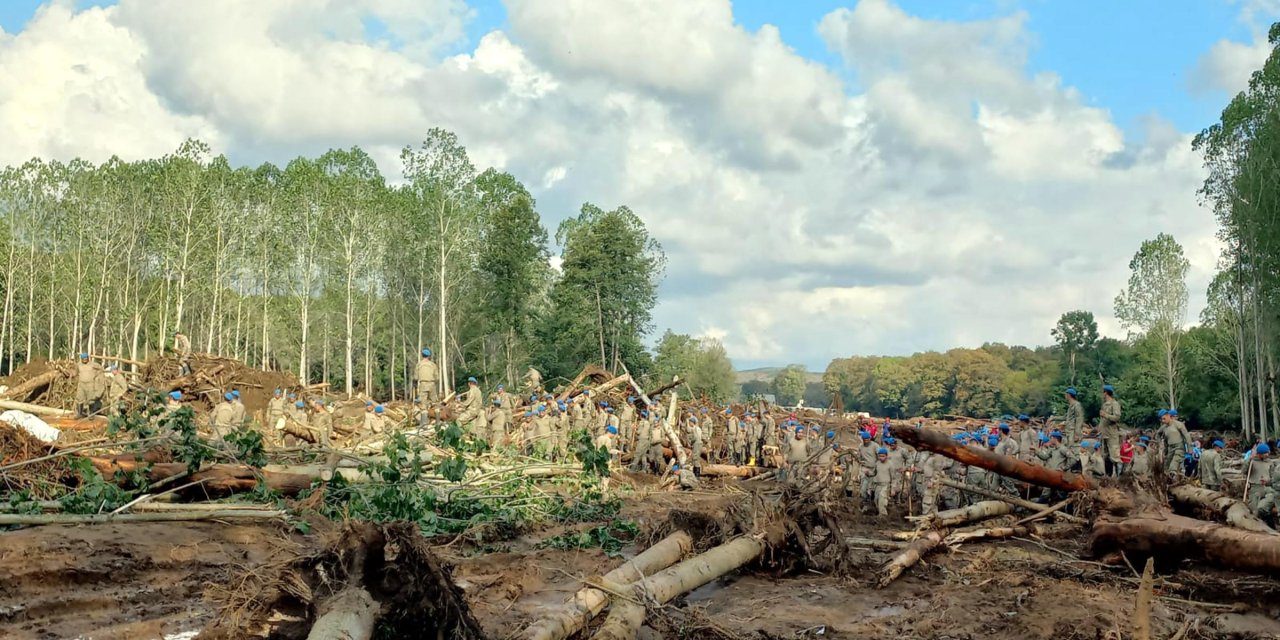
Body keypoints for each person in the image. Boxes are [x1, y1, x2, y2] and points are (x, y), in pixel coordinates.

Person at [1158, 409, 1191, 476]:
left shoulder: (1178, 424)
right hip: (1170, 448)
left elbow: (1187, 436)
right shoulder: (1164, 427)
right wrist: (1160, 444)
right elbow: (1158, 434)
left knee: (1174, 464)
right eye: (1162, 419)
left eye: (1164, 419)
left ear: (1168, 416)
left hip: (1179, 447)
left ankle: (1173, 474)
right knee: (1166, 465)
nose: (1163, 421)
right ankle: (1167, 480)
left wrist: (1190, 449)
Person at [1247, 443, 1275, 520]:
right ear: (1259, 454)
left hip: (1267, 488)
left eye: (1268, 452)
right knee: (1255, 512)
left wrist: (1268, 481)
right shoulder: (1253, 461)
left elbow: (1273, 477)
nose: (1267, 454)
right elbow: (1244, 471)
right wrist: (1249, 459)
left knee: (1263, 507)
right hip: (1255, 487)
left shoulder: (1269, 462)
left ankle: (1270, 523)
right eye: (1265, 453)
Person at [74, 353, 105, 418]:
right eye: (83, 359)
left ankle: (91, 414)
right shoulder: (78, 365)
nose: (85, 360)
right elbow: (76, 373)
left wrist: (96, 376)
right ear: (81, 359)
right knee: (80, 398)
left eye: (86, 359)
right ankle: (80, 413)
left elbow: (101, 369)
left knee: (91, 399)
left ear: (88, 358)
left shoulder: (93, 364)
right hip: (81, 384)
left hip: (90, 384)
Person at [872, 447, 894, 516]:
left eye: (883, 456)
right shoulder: (877, 464)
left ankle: (883, 516)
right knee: (876, 500)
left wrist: (893, 488)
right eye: (880, 456)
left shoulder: (890, 465)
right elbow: (874, 474)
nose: (881, 458)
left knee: (882, 501)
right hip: (877, 485)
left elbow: (894, 477)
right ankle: (879, 513)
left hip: (885, 485)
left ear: (886, 456)